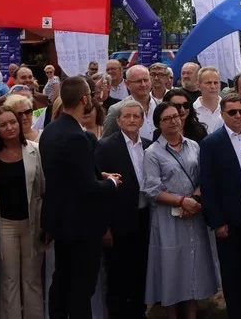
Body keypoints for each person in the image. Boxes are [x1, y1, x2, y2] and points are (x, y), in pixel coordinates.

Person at [39, 77, 121, 319]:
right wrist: (112, 182)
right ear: (84, 99)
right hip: (80, 224)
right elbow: (86, 188)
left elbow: (70, 173)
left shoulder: (52, 129)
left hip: (61, 219)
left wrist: (100, 174)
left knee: (62, 279)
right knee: (81, 287)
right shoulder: (76, 136)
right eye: (92, 95)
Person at [143, 101, 219, 317]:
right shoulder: (153, 153)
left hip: (194, 214)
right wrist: (180, 201)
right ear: (158, 124)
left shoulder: (194, 146)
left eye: (175, 116)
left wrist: (193, 198)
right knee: (172, 267)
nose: (173, 121)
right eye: (166, 119)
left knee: (192, 264)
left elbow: (203, 176)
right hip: (168, 218)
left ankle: (192, 314)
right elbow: (152, 189)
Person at [199, 92, 241, 319]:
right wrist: (217, 221)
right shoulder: (211, 143)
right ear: (223, 114)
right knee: (232, 271)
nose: (238, 116)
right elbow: (208, 185)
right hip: (229, 218)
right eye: (233, 112)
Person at [0, 108, 45, 319]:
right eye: (3, 125)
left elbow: (43, 187)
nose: (10, 128)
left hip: (32, 222)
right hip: (4, 224)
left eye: (13, 122)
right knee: (9, 279)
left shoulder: (35, 150)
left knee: (32, 278)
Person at [94, 98, 152, 319]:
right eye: (126, 116)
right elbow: (100, 191)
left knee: (141, 270)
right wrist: (105, 227)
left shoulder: (148, 145)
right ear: (118, 121)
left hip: (144, 217)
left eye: (136, 116)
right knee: (118, 273)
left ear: (142, 120)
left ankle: (139, 311)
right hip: (118, 221)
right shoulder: (105, 146)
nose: (131, 120)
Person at [192, 66, 224, 135]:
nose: (213, 87)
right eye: (208, 83)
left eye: (216, 83)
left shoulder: (228, 108)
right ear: (198, 86)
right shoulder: (192, 110)